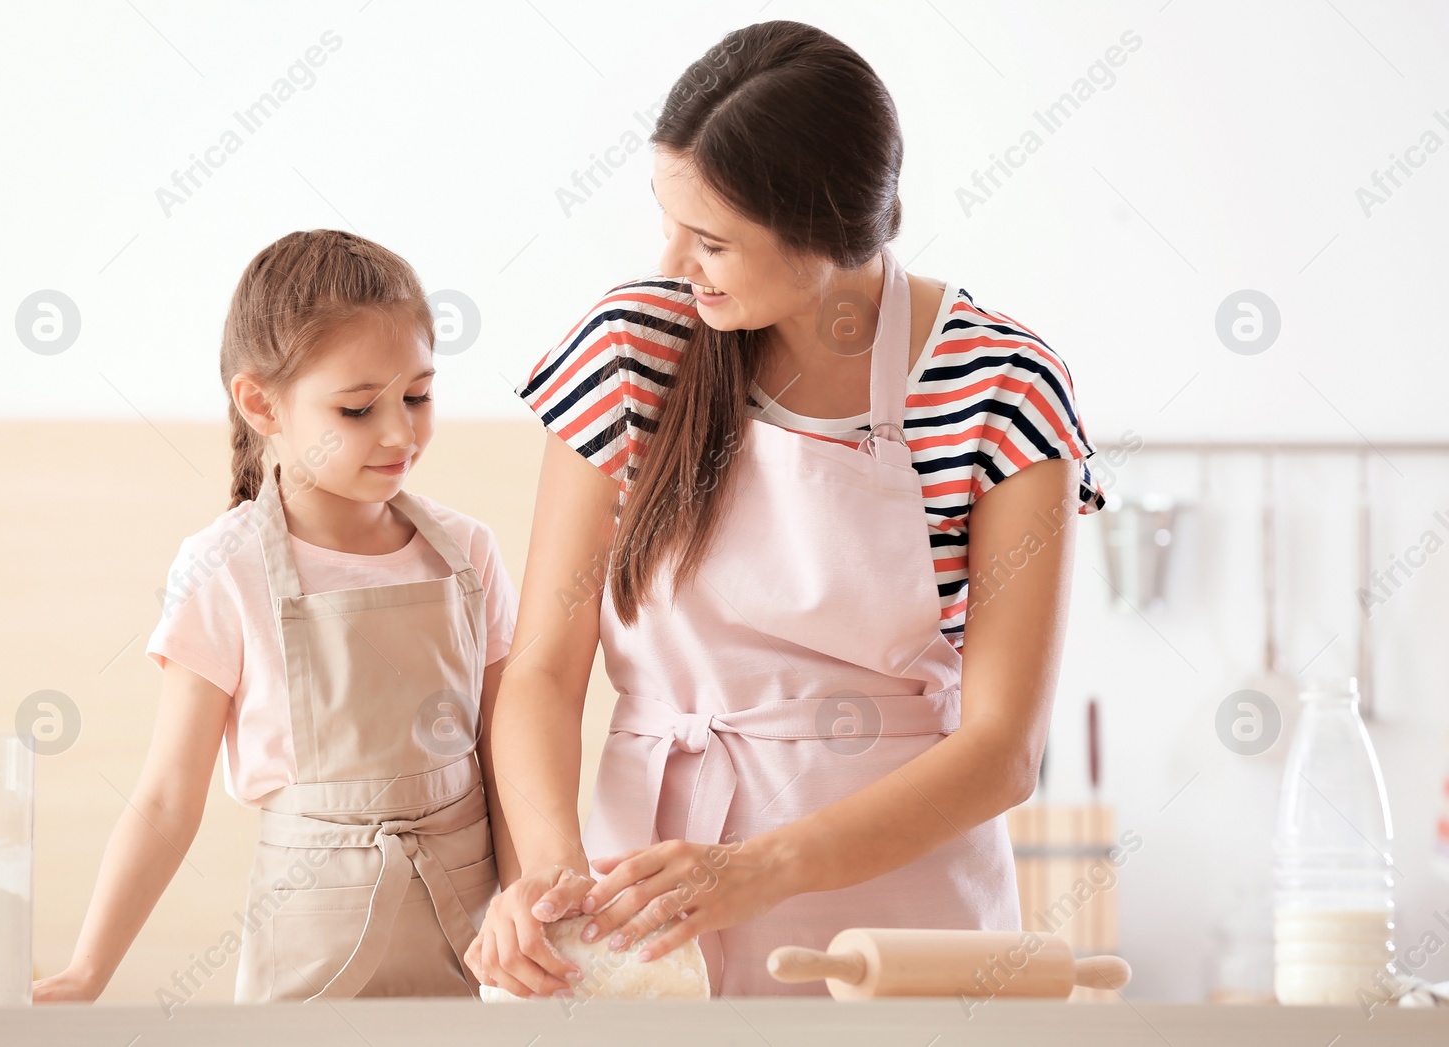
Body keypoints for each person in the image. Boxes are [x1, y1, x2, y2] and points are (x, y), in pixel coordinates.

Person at [467, 20, 1107, 998]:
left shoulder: (1000, 385)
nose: (677, 260)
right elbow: (546, 672)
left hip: (904, 920)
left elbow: (1001, 753)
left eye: (714, 240)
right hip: (644, 909)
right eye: (670, 219)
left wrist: (754, 871)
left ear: (827, 227)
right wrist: (550, 873)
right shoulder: (631, 350)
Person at [32, 230, 518, 1002]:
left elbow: (509, 758)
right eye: (358, 408)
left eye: (418, 395)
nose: (400, 431)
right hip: (310, 947)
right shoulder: (225, 569)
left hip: (477, 940)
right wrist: (87, 970)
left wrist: (527, 903)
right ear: (261, 402)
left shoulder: (468, 552)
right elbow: (166, 798)